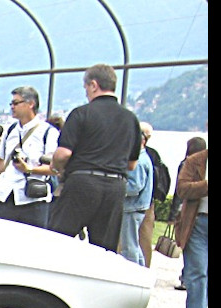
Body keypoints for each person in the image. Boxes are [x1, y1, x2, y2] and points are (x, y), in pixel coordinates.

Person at [47, 64, 141, 250]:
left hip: (83, 181)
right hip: (115, 186)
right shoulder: (131, 119)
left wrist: (56, 166)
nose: (86, 92)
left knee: (57, 240)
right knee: (104, 249)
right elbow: (132, 164)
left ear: (93, 85)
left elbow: (64, 153)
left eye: (86, 87)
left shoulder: (82, 113)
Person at [0, 85, 59, 228]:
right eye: (11, 103)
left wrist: (29, 169)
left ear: (31, 104)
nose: (12, 107)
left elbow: (54, 168)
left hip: (32, 198)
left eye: (16, 103)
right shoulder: (10, 130)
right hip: (5, 195)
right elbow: (0, 158)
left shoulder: (47, 132)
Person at [174, 144, 208, 308]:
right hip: (197, 223)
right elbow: (182, 189)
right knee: (197, 271)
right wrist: (205, 185)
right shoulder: (195, 161)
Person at [118, 128, 154, 265]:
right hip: (137, 207)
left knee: (129, 246)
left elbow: (135, 187)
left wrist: (118, 186)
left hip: (132, 207)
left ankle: (131, 271)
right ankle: (140, 269)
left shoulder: (139, 161)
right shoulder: (144, 158)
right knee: (134, 244)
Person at [137, 122, 170, 267]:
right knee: (145, 238)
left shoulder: (135, 152)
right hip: (148, 202)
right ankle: (145, 268)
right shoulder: (153, 154)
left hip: (136, 201)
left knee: (126, 238)